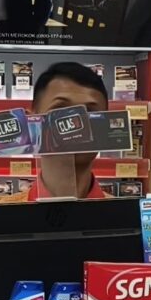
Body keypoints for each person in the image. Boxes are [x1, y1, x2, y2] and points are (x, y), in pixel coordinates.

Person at [30, 59, 116, 200]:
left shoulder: (130, 212)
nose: (76, 123)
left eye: (89, 112)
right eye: (61, 110)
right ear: (31, 122)